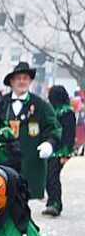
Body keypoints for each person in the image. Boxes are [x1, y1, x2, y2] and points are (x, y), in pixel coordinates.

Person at [2, 62, 59, 200]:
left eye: (25, 78)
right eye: (18, 78)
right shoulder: (1, 103)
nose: (22, 81)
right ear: (11, 81)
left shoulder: (40, 105)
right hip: (4, 160)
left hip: (30, 163)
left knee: (24, 202)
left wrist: (49, 143)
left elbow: (53, 128)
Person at [43, 85, 75, 217]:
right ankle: (51, 202)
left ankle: (56, 203)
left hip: (60, 150)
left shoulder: (67, 112)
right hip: (50, 149)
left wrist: (66, 153)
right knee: (47, 177)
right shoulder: (51, 110)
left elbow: (69, 134)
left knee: (53, 177)